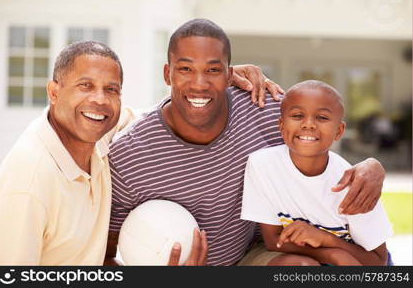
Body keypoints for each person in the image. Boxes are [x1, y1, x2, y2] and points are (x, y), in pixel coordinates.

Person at [105, 19, 386, 266]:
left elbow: (317, 127)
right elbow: (106, 255)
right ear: (168, 74)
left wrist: (372, 166)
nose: (199, 84)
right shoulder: (130, 156)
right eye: (186, 69)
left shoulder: (261, 107)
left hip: (258, 253)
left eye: (213, 70)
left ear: (230, 74)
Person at [0, 40, 278, 265]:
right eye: (85, 86)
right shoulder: (28, 185)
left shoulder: (99, 131)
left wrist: (212, 80)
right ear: (54, 92)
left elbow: (177, 116)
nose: (99, 100)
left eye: (111, 89)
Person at [241, 80, 393, 266]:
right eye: (297, 115)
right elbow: (274, 241)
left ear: (339, 131)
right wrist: (331, 255)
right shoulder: (262, 165)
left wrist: (327, 240)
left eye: (321, 117)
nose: (309, 124)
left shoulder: (354, 186)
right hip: (311, 258)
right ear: (281, 125)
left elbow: (378, 261)